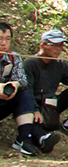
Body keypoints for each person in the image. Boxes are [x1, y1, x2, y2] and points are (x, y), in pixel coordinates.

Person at [0, 23, 60, 157]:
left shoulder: (13, 57)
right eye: (0, 39)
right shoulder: (33, 63)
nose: (4, 43)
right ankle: (38, 137)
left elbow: (22, 80)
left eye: (7, 39)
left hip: (5, 102)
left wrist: (14, 85)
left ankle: (24, 138)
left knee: (24, 91)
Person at [17, 30, 68, 153]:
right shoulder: (31, 63)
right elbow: (27, 88)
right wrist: (35, 109)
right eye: (54, 45)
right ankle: (42, 139)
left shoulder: (60, 64)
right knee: (31, 115)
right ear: (42, 45)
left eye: (61, 46)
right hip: (34, 104)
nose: (58, 49)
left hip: (51, 105)